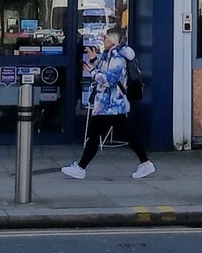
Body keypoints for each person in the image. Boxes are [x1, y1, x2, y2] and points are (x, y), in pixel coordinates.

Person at [61, 30, 154, 180]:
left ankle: (80, 168)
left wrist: (91, 71)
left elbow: (109, 80)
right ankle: (145, 163)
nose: (103, 39)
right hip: (110, 104)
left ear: (113, 40)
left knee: (96, 136)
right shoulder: (109, 54)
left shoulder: (117, 57)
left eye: (105, 37)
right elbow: (104, 71)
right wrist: (94, 60)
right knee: (123, 136)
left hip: (111, 104)